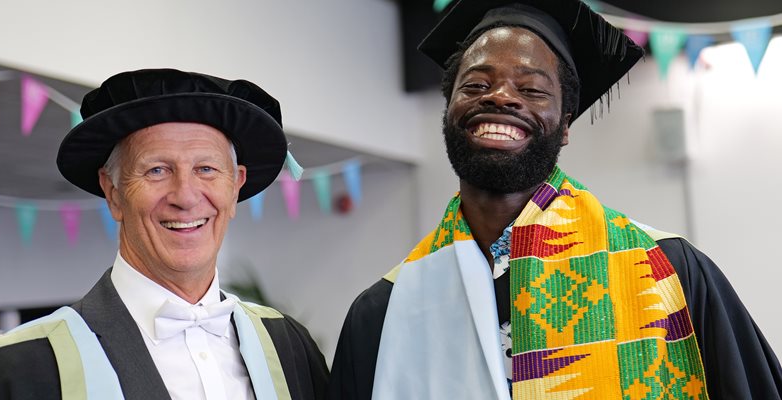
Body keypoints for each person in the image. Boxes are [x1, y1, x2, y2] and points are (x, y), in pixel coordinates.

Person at [328, 1, 782, 399]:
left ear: (565, 125)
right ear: (449, 112)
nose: (501, 97)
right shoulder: (385, 311)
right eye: (475, 85)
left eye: (531, 89)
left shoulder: (670, 272)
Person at [0, 69, 328, 400]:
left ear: (235, 187)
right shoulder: (15, 368)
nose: (185, 196)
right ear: (114, 192)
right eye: (157, 170)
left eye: (206, 169)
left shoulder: (289, 347)